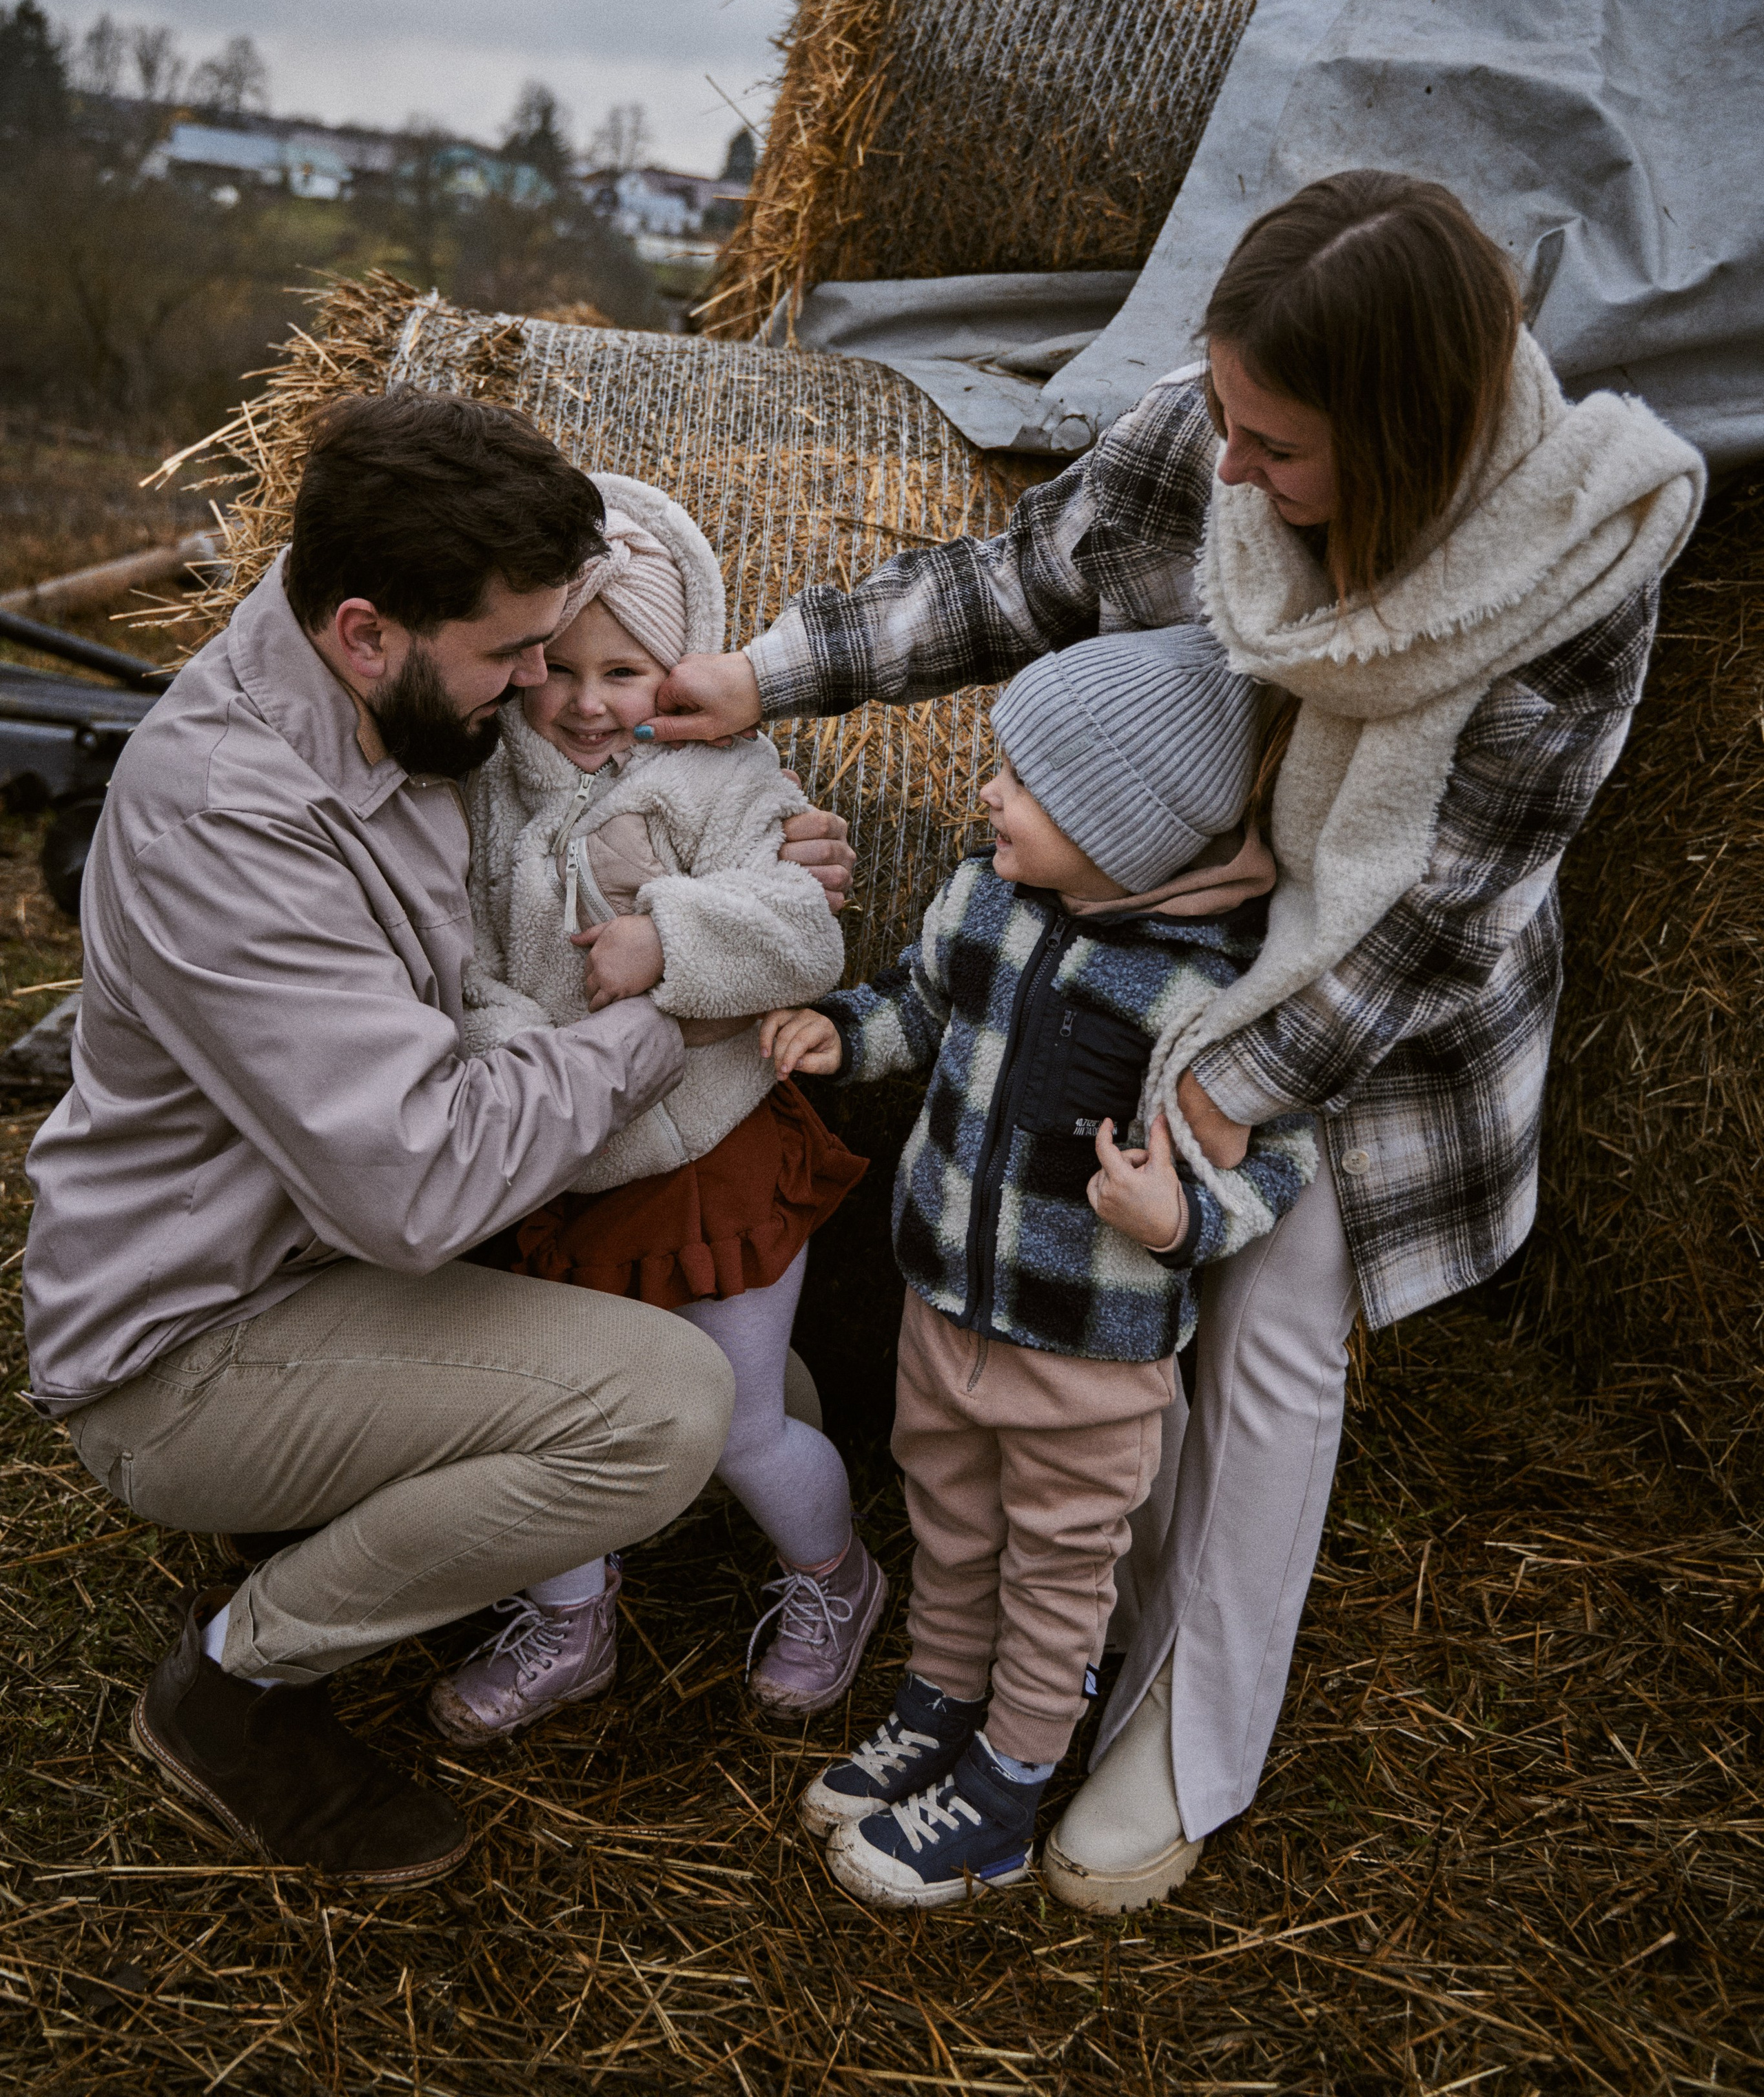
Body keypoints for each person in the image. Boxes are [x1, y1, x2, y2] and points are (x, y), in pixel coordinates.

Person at [648, 170, 1705, 1912]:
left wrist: (1214, 1091)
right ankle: (1017, 1667)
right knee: (1073, 1300)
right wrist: (768, 674)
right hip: (1124, 890)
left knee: (1271, 1298)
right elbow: (1017, 582)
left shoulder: (1573, 576)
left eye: (1275, 449)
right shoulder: (1199, 441)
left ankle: (1181, 1733)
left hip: (1363, 981)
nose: (1226, 467)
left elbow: (1443, 918)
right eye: (1220, 417)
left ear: (1413, 447)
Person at [21, 393, 855, 1889]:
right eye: (514, 655)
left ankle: (386, 1515)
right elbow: (422, 1185)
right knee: (662, 1410)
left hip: (328, 1248)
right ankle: (238, 1683)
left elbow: (625, 821)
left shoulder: (410, 707)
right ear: (364, 631)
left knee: (762, 1375)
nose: (545, 685)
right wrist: (684, 996)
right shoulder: (230, 820)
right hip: (202, 1339)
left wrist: (758, 869)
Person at [762, 626, 1317, 1909]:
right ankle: (939, 1705)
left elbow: (1273, 1161)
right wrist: (845, 1037)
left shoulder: (1209, 986)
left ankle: (1008, 1788)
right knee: (950, 1524)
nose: (986, 794)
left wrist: (1181, 1221)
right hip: (942, 1301)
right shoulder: (987, 899)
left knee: (1060, 1568)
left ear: (1126, 828)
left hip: (1087, 1351)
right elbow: (918, 1000)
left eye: (1026, 782)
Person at [429, 473, 882, 1747]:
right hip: (561, 1157)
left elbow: (803, 928)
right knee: (555, 1413)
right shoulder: (479, 787)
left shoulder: (724, 777)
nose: (586, 701)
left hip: (714, 1158)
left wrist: (667, 942)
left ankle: (834, 1581)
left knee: (743, 1424)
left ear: (676, 669)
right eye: (557, 665)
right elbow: (458, 959)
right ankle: (570, 1615)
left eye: (625, 670)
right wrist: (517, 1052)